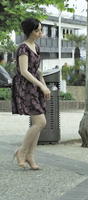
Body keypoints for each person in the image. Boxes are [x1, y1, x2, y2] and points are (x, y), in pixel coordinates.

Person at [11, 18, 51, 170]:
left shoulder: (36, 47)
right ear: (30, 31)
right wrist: (40, 85)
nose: (40, 33)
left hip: (36, 86)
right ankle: (22, 151)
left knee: (38, 123)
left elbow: (38, 70)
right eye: (37, 30)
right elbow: (24, 71)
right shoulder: (23, 48)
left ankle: (30, 155)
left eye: (41, 30)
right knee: (41, 122)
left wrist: (44, 86)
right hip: (26, 87)